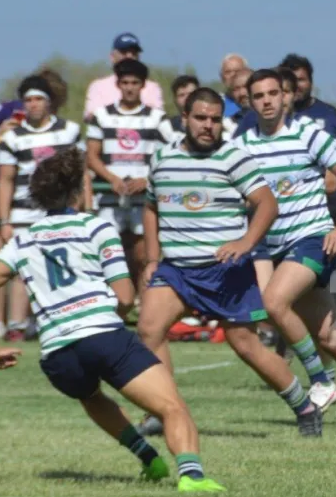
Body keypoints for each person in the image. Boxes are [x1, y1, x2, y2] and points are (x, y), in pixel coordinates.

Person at [0, 148, 225, 492]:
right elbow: (124, 296)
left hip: (57, 355)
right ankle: (193, 476)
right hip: (103, 336)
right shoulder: (96, 227)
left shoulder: (23, 241)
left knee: (92, 397)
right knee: (171, 406)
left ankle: (148, 458)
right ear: (79, 191)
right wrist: (114, 323)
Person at [136, 88, 324, 437]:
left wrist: (245, 242)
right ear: (185, 119)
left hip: (225, 272)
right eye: (200, 118)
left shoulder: (233, 158)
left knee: (246, 345)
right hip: (177, 269)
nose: (208, 125)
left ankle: (305, 405)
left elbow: (267, 204)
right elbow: (150, 206)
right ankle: (164, 411)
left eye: (213, 119)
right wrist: (150, 259)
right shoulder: (162, 158)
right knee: (149, 329)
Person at [234, 69, 336, 414]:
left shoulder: (310, 134)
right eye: (259, 96)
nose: (266, 101)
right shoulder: (242, 145)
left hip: (312, 241)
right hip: (275, 249)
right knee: (331, 337)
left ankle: (321, 380)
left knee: (274, 302)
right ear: (249, 102)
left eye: (272, 93)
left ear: (286, 96)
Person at [0, 75, 84, 342]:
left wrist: (79, 209)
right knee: (22, 271)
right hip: (23, 214)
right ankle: (17, 326)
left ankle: (63, 322)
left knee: (63, 266)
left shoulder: (68, 130)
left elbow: (80, 174)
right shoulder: (12, 137)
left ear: (49, 103)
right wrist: (4, 220)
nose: (33, 105)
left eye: (38, 99)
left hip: (60, 212)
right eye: (28, 100)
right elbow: (5, 180)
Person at [85, 59, 169, 286]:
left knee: (143, 255)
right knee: (111, 256)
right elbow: (91, 156)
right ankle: (116, 309)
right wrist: (110, 178)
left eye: (134, 82)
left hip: (144, 200)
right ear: (118, 85)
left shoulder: (157, 117)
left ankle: (143, 311)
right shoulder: (101, 116)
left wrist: (146, 179)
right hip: (110, 199)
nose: (129, 87)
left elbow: (166, 156)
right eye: (125, 82)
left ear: (143, 85)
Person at [83, 33, 164, 118]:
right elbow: (92, 117)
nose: (129, 56)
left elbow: (157, 117)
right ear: (112, 57)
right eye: (124, 52)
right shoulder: (98, 86)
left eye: (134, 53)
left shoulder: (152, 87)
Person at [159, 74, 200, 143]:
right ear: (175, 100)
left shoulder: (212, 123)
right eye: (182, 95)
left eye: (191, 93)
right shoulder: (168, 126)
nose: (187, 98)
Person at [219, 53, 249, 118]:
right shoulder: (217, 104)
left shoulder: (257, 100)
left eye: (237, 71)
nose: (233, 75)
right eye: (228, 72)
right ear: (222, 77)